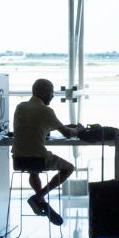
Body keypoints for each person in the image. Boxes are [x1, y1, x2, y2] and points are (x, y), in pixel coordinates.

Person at [11, 78, 80, 225]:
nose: (53, 96)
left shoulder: (20, 107)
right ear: (44, 93)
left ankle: (40, 201)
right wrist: (78, 130)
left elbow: (36, 125)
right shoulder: (46, 111)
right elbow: (67, 133)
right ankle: (39, 196)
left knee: (33, 171)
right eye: (51, 92)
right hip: (38, 159)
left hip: (18, 159)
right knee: (68, 168)